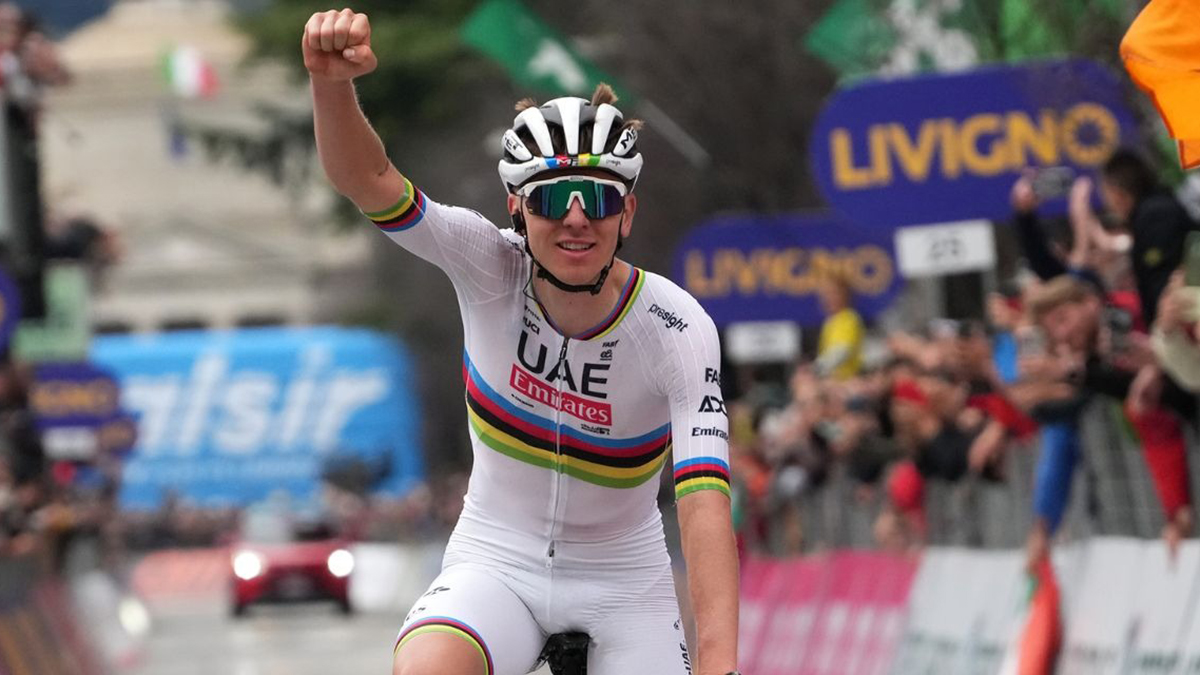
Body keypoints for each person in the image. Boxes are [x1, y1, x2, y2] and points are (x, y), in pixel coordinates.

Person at [303, 9, 739, 675]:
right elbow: (370, 180)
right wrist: (330, 85)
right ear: (516, 208)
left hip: (624, 582)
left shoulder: (676, 327)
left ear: (627, 212)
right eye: (551, 199)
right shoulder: (484, 263)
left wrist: (720, 664)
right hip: (496, 560)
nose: (574, 219)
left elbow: (704, 503)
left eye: (597, 198)